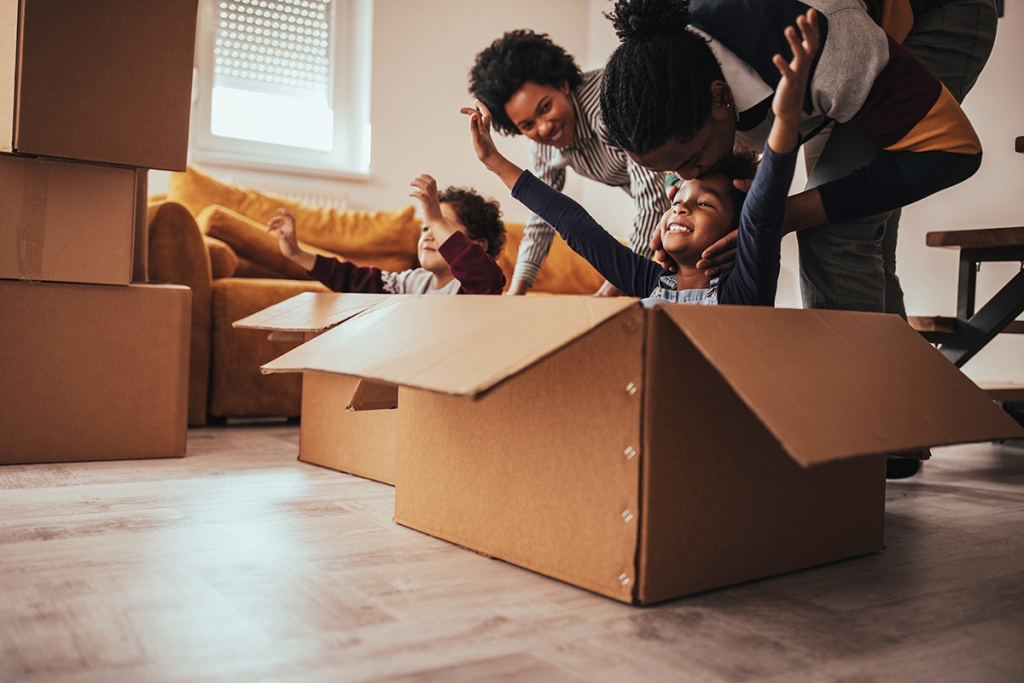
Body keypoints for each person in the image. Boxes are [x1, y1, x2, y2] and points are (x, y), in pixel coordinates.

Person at [598, 0, 997, 315]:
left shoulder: (818, 47)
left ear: (721, 98)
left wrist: (788, 215)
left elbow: (955, 151)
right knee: (857, 235)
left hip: (936, 14)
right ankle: (900, 391)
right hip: (840, 61)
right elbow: (688, 158)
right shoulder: (662, 69)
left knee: (834, 234)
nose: (684, 179)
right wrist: (684, 202)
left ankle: (850, 408)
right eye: (671, 173)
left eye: (692, 159)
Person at [461, 9, 818, 307]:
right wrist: (493, 160)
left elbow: (763, 205)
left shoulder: (743, 286)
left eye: (705, 204)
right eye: (678, 199)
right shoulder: (648, 281)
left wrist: (785, 120)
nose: (679, 207)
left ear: (736, 227)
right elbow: (568, 221)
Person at [468, 29, 672, 296]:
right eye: (528, 125)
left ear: (563, 84)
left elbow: (652, 200)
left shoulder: (609, 103)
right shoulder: (542, 143)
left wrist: (611, 289)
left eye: (545, 107)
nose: (543, 128)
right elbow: (542, 215)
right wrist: (516, 293)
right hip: (673, 212)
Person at [268, 175, 506, 295]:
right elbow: (354, 279)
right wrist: (297, 254)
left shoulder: (471, 289)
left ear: (478, 245)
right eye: (425, 228)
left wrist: (433, 217)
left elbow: (486, 276)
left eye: (442, 226)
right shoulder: (412, 283)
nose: (429, 234)